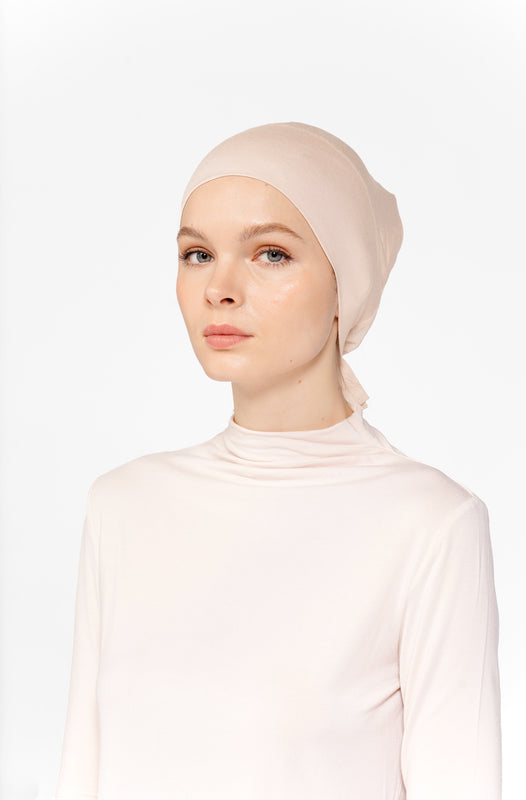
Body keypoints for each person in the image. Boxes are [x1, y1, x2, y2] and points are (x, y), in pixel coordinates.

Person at [53, 121, 502, 799]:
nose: (220, 288)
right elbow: (81, 771)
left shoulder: (430, 524)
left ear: (345, 282)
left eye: (270, 253)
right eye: (197, 254)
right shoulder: (122, 505)